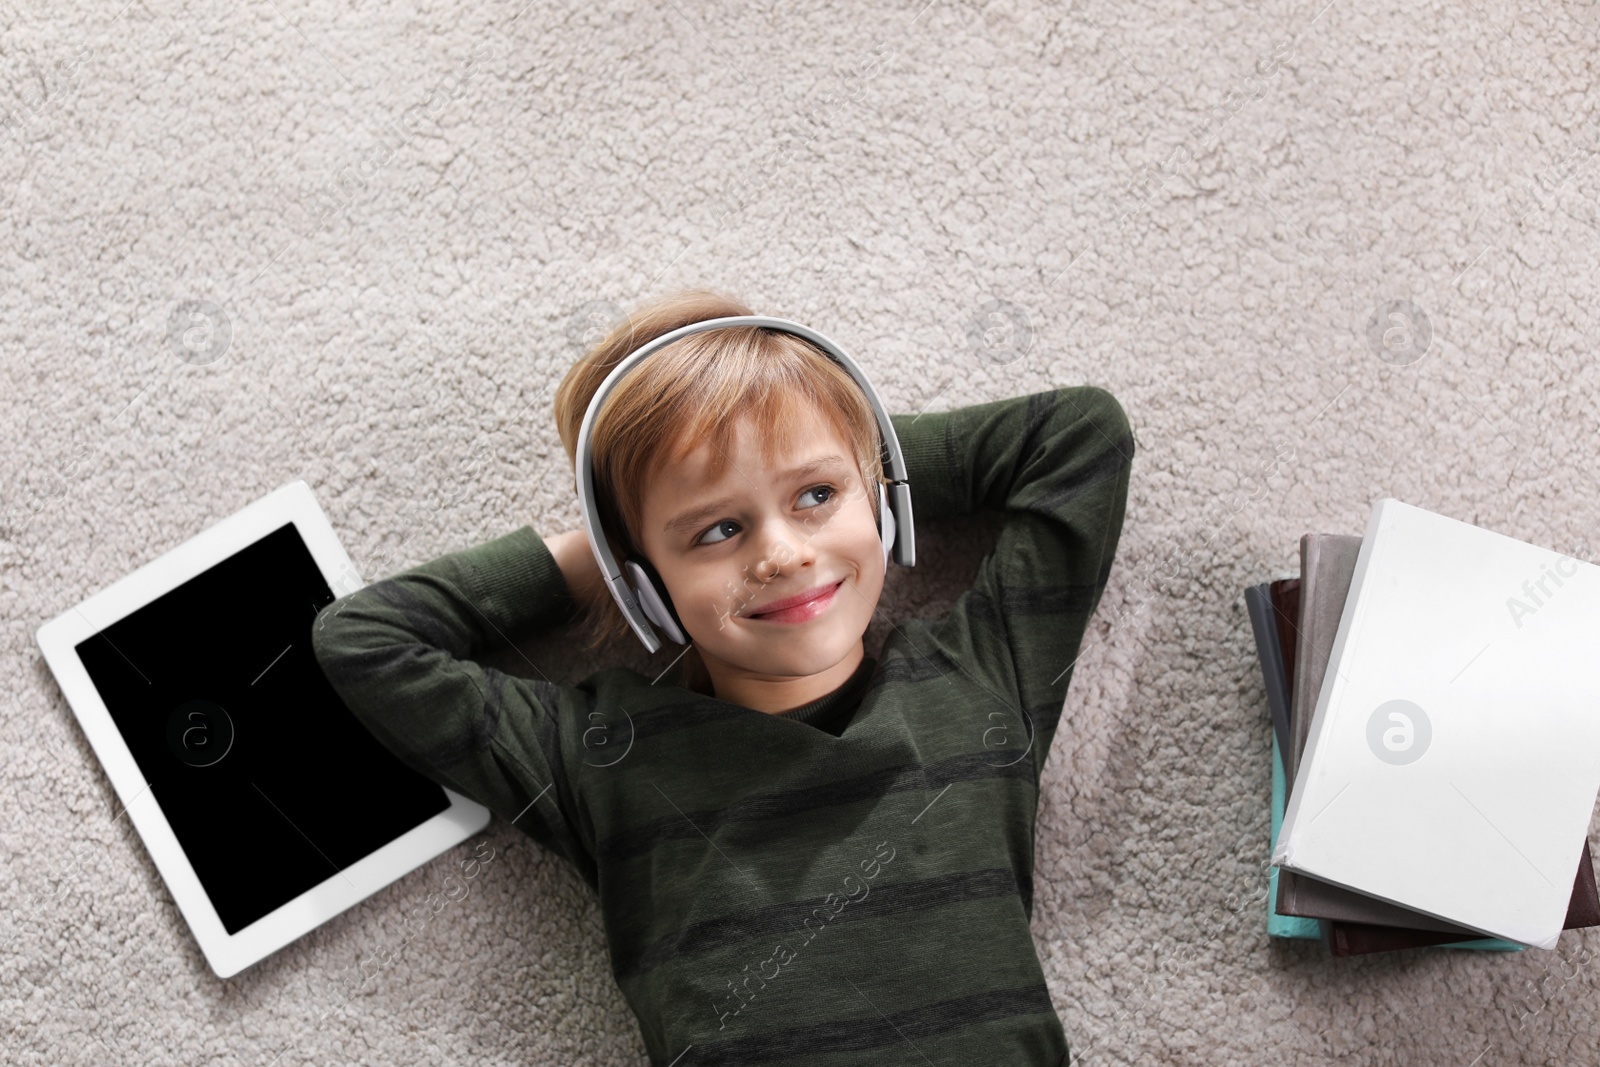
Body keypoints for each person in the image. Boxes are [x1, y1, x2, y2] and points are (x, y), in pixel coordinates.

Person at [310, 287, 1134, 1066]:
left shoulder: (981, 679)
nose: (782, 552)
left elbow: (1080, 438)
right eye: (718, 531)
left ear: (879, 496)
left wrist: (853, 454)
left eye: (816, 493)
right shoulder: (603, 756)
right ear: (642, 582)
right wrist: (605, 550)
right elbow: (367, 642)